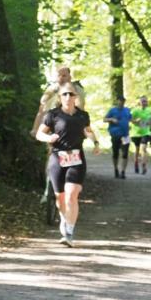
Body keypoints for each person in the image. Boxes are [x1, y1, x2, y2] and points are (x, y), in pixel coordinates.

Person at [36, 86, 100, 247]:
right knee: (61, 198)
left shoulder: (82, 115)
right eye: (64, 94)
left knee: (72, 194)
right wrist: (48, 138)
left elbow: (88, 131)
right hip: (57, 157)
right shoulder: (53, 115)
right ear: (60, 97)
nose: (68, 96)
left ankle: (69, 232)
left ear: (75, 97)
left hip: (76, 158)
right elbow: (39, 133)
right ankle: (64, 219)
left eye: (71, 94)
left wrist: (96, 142)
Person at [32, 66, 87, 136]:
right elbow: (43, 102)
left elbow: (80, 107)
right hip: (55, 121)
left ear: (69, 77)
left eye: (64, 76)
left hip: (72, 120)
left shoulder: (77, 89)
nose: (61, 78)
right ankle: (36, 129)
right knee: (43, 107)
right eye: (59, 75)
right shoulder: (53, 88)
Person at [103, 96, 132, 179]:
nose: (121, 103)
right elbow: (104, 119)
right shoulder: (112, 110)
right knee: (116, 153)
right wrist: (111, 119)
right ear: (117, 101)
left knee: (125, 153)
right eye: (120, 101)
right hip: (115, 135)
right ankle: (116, 169)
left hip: (125, 135)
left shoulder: (127, 110)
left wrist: (133, 123)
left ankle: (123, 172)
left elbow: (130, 119)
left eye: (123, 101)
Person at [130, 95, 151, 174]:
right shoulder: (135, 110)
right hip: (136, 133)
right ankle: (136, 164)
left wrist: (150, 123)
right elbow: (130, 119)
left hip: (146, 132)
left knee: (143, 149)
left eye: (146, 101)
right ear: (140, 102)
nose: (144, 103)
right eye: (143, 101)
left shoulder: (150, 110)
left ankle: (144, 165)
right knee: (137, 150)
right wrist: (136, 121)